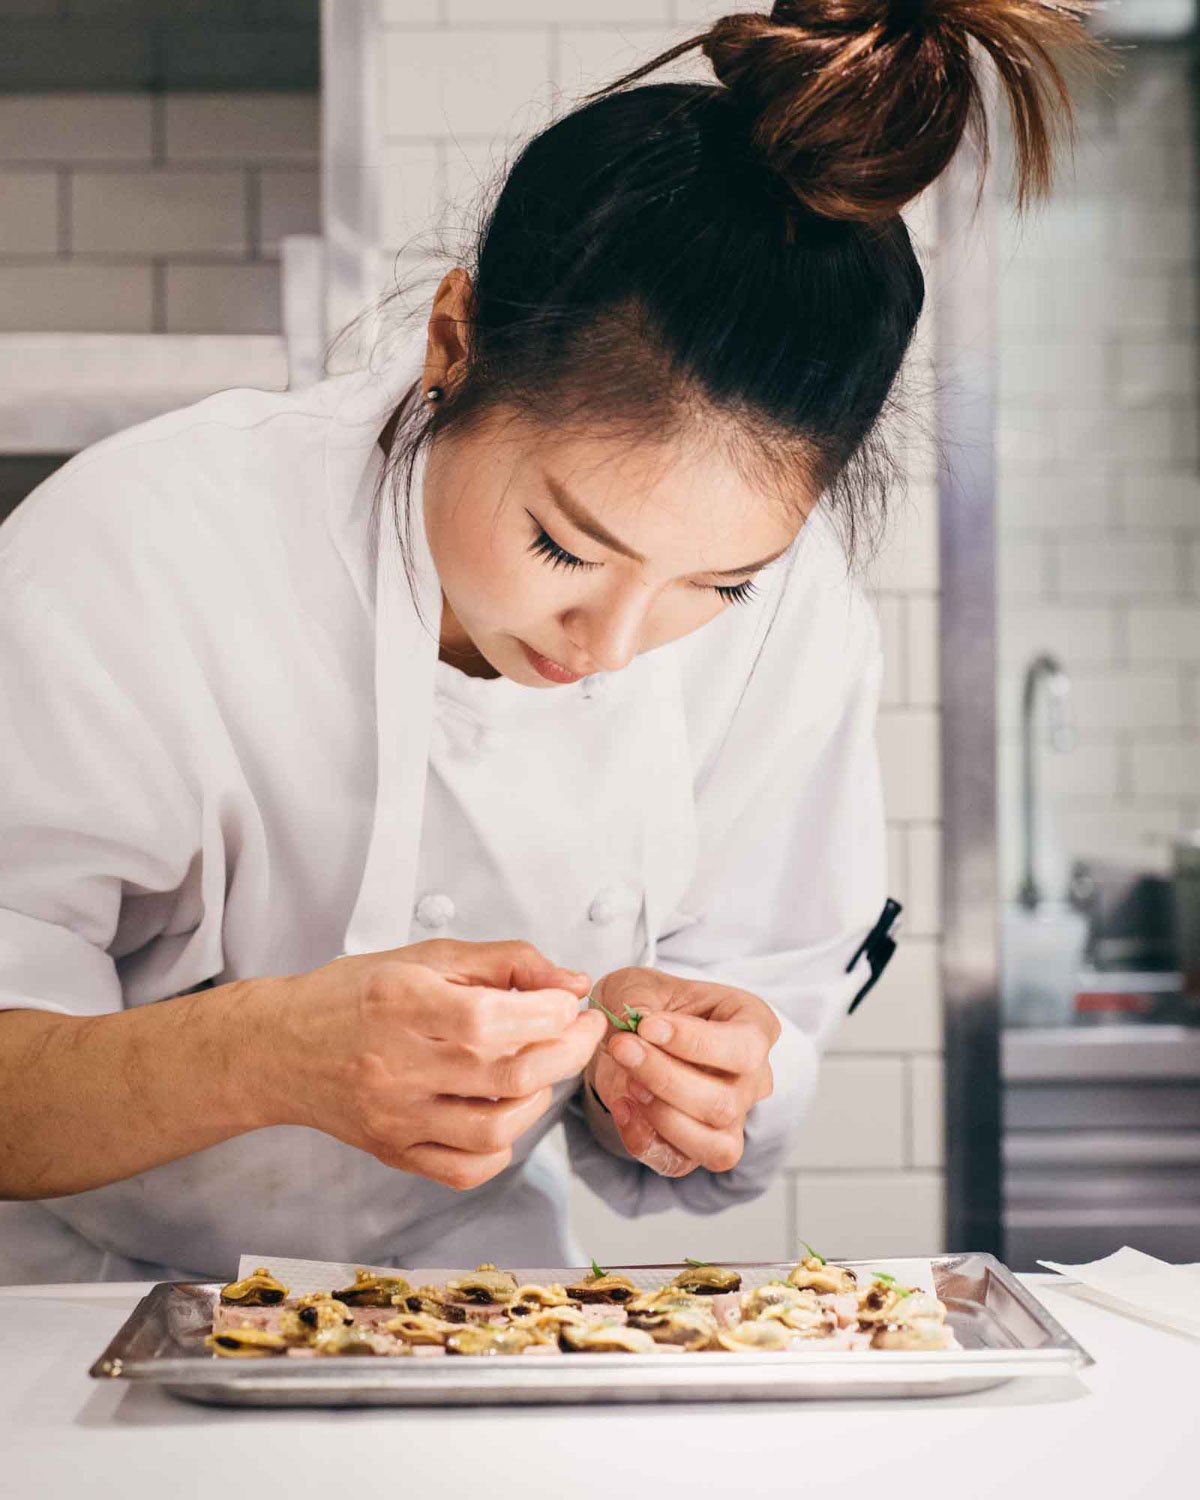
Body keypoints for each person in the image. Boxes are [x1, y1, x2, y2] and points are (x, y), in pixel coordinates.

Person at [0, 1, 1095, 1283]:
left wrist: (695, 1082)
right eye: (567, 548)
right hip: (74, 1326)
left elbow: (771, 1010)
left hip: (481, 1310)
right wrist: (269, 1050)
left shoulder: (801, 630)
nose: (618, 642)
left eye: (719, 585)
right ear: (453, 347)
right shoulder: (152, 543)